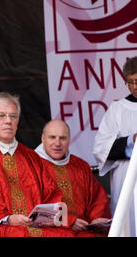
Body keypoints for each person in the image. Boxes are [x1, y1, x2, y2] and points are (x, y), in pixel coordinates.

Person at [0, 92, 75, 237]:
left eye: (13, 116)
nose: (8, 121)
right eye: (1, 116)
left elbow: (51, 194)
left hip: (36, 226)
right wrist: (8, 218)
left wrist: (49, 217)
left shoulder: (31, 156)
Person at [35, 119, 111, 236]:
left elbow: (97, 199)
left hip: (82, 230)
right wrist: (69, 221)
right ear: (43, 138)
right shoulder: (31, 166)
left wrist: (96, 219)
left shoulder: (80, 166)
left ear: (69, 140)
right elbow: (34, 208)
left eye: (63, 138)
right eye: (52, 137)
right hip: (49, 231)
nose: (57, 143)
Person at [93, 56, 137, 236]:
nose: (134, 86)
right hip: (127, 179)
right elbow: (101, 148)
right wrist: (131, 141)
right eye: (130, 82)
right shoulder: (118, 109)